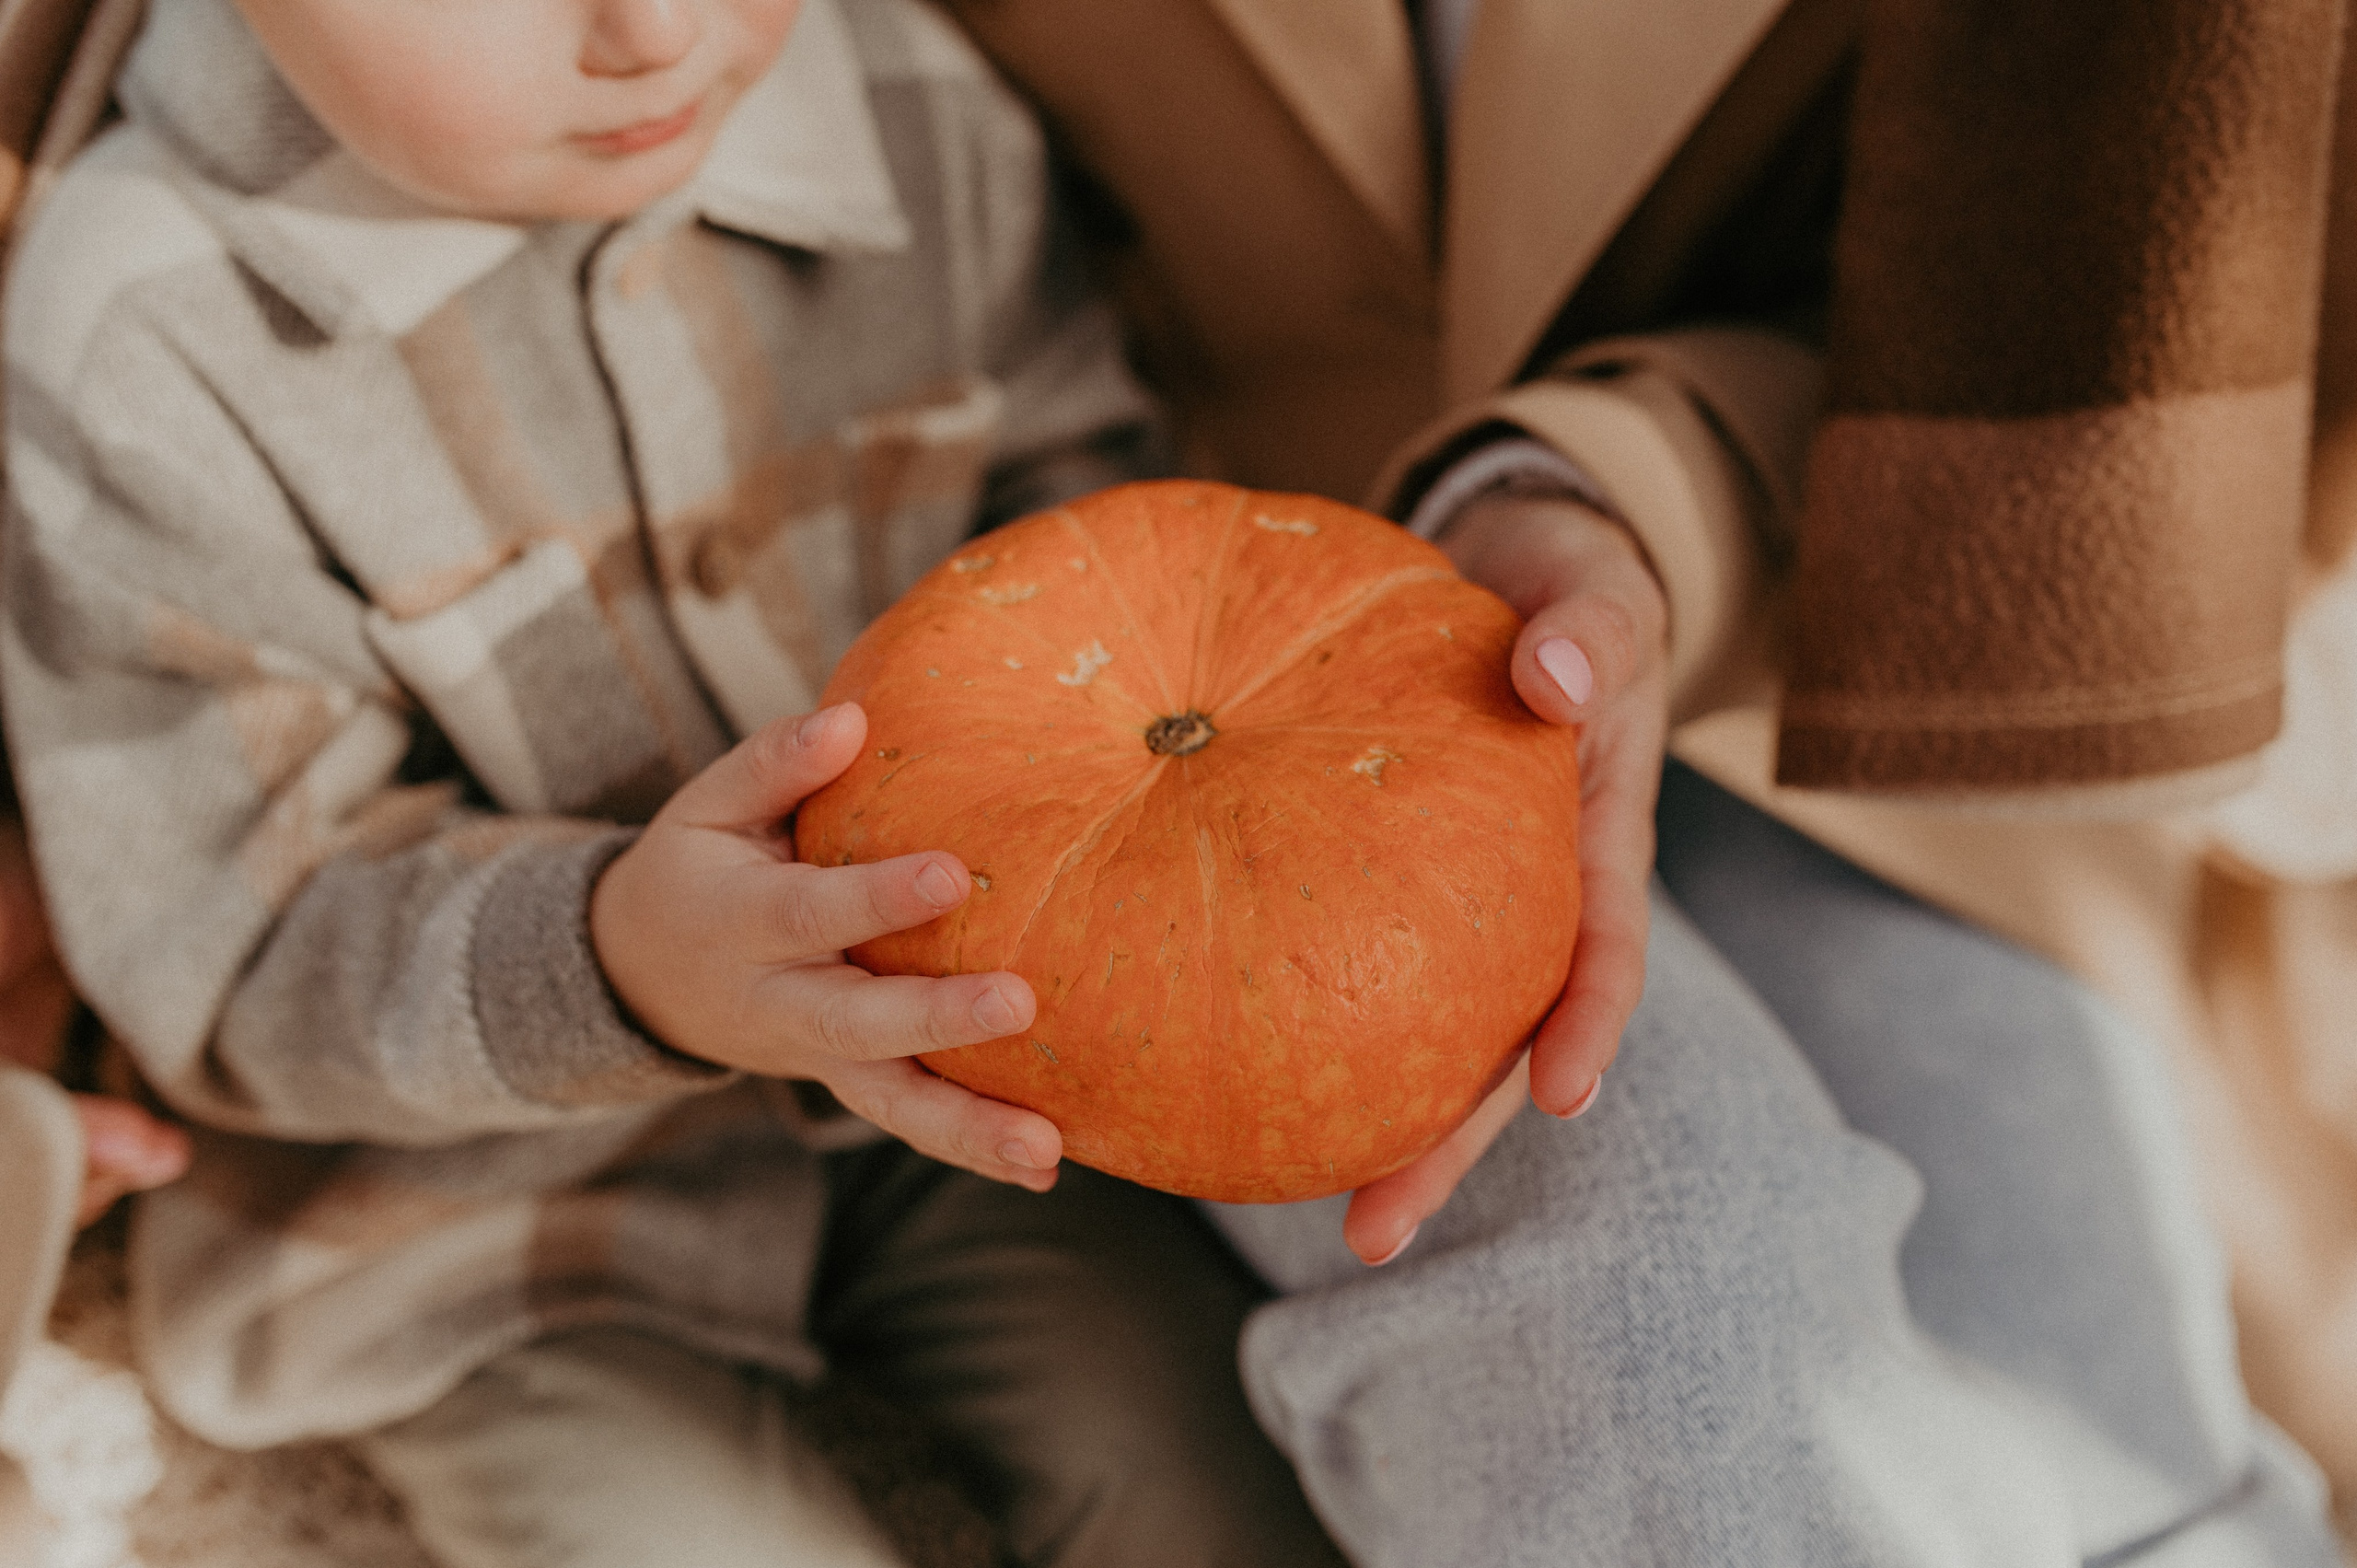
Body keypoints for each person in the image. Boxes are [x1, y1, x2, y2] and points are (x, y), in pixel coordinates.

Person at [932, 0, 2357, 1562]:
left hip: (1865, 624)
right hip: (1154, 675)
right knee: (1661, 1337)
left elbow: (2100, 299)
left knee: (2113, 1451)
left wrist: (1603, 495)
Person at [0, 0, 1343, 1562]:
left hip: (931, 1075)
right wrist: (614, 963)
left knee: (1202, 1481)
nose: (651, 29)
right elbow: (230, 947)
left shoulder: (907, 97)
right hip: (460, 1224)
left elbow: (1085, 511)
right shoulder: (136, 334)